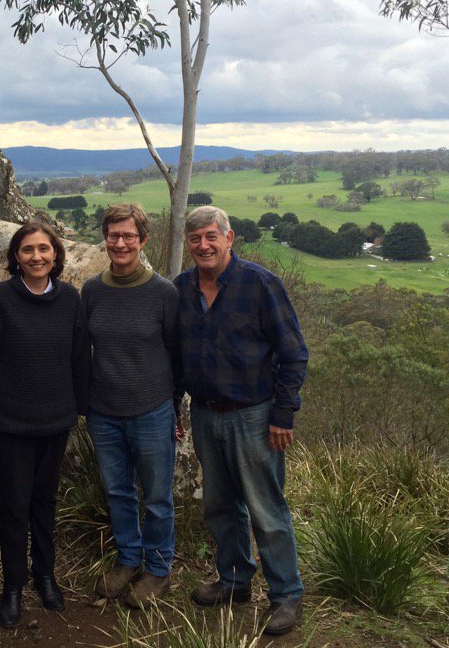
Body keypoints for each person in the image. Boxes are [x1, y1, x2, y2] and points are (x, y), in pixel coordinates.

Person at [173, 206, 308, 636]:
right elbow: (177, 356)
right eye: (195, 238)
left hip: (255, 415)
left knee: (266, 509)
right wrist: (176, 404)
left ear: (230, 239)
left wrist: (283, 413)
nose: (203, 245)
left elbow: (293, 353)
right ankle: (234, 580)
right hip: (205, 414)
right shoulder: (181, 288)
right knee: (219, 506)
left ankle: (286, 594)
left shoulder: (260, 284)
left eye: (212, 236)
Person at [0, 220, 89, 630]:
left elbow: (78, 360)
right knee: (15, 506)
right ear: (15, 257)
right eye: (28, 250)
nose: (37, 257)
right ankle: (13, 587)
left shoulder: (71, 299)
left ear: (56, 255)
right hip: (8, 424)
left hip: (54, 421)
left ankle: (45, 576)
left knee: (45, 504)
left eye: (44, 249)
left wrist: (81, 408)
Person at [82, 204, 180, 608]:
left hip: (151, 410)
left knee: (156, 496)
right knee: (119, 492)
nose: (120, 243)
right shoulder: (91, 290)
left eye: (128, 236)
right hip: (103, 411)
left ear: (143, 241)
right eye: (113, 235)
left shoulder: (163, 293)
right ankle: (128, 559)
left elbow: (177, 354)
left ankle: (158, 569)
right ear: (105, 238)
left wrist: (175, 410)